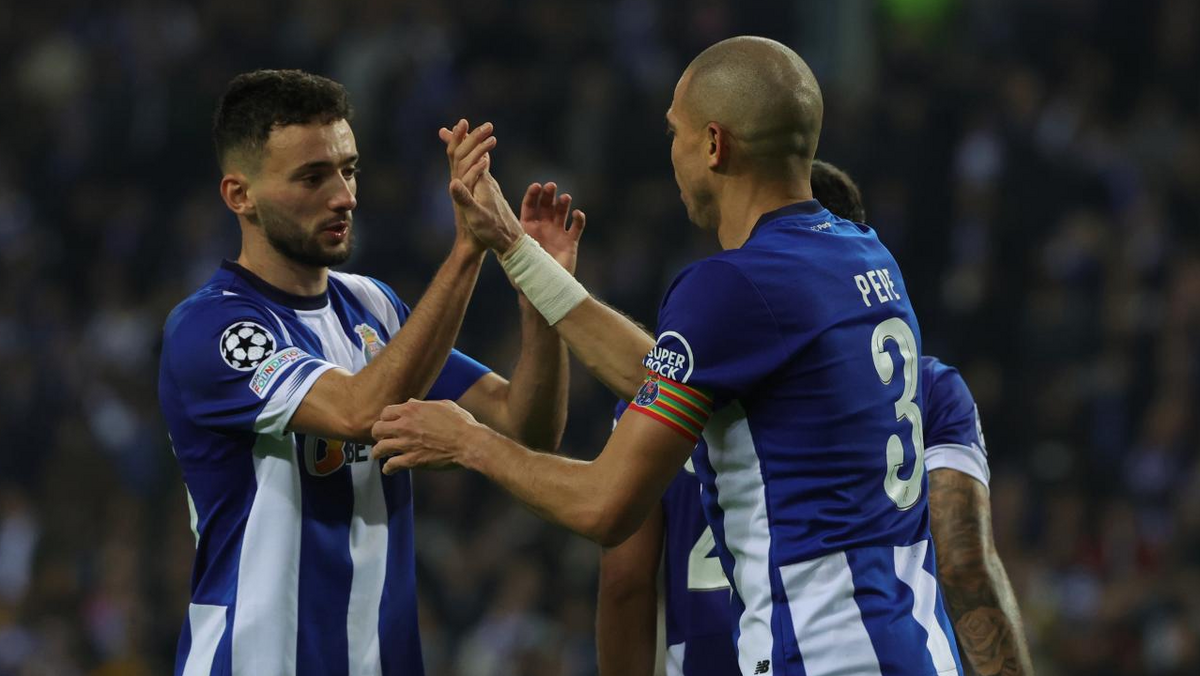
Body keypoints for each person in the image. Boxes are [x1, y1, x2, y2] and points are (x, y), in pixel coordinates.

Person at [374, 37, 962, 675]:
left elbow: (605, 506)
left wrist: (469, 441)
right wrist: (517, 249)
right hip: (915, 647)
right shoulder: (864, 254)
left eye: (674, 132)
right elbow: (661, 372)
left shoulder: (731, 285)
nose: (671, 152)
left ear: (713, 145)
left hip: (823, 655)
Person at [157, 69, 574, 676]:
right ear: (239, 195)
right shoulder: (213, 329)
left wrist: (542, 288)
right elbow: (357, 411)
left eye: (348, 170)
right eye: (312, 177)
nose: (344, 197)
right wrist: (467, 249)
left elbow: (526, 424)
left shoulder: (373, 307)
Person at [595, 160, 1034, 676]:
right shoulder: (929, 388)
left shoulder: (654, 399)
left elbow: (625, 583)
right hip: (851, 650)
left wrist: (533, 269)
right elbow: (964, 567)